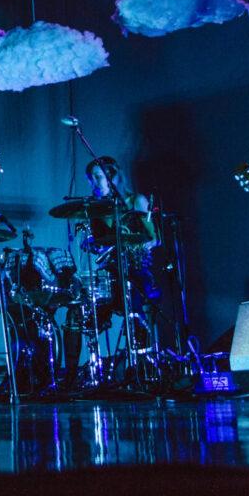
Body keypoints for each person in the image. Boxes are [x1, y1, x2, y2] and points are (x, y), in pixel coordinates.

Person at [62, 156, 162, 387]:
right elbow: (98, 244)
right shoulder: (94, 210)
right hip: (108, 276)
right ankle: (70, 377)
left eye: (98, 177)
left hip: (135, 272)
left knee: (135, 307)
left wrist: (137, 245)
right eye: (91, 179)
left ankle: (140, 370)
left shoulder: (135, 201)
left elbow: (154, 238)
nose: (94, 183)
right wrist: (92, 244)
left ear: (112, 177)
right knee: (76, 313)